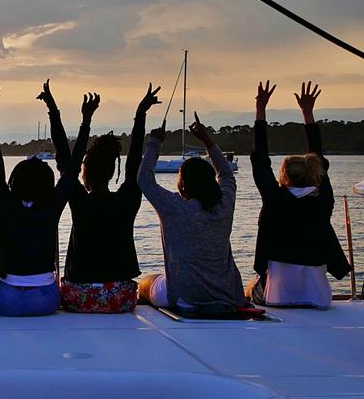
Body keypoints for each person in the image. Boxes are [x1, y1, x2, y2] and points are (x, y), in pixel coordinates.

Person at [42, 82, 160, 313]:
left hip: (80, 298)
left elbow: (65, 158)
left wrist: (58, 112)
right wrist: (140, 114)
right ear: (112, 170)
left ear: (85, 172)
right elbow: (134, 162)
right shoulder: (127, 200)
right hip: (120, 299)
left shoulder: (79, 201)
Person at [247, 81, 351, 309]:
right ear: (314, 174)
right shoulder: (323, 200)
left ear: (284, 177)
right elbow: (318, 156)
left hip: (279, 297)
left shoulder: (276, 199)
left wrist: (260, 109)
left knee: (250, 288)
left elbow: (260, 160)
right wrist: (308, 113)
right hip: (319, 298)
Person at [0, 83, 87, 316]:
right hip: (45, 300)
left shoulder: (6, 203)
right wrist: (84, 122)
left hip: (6, 300)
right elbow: (72, 168)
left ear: (14, 180)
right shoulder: (51, 205)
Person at [137, 112, 245, 312]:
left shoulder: (174, 207)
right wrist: (207, 139)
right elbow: (227, 174)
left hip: (184, 297)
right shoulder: (224, 204)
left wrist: (154, 142)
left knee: (145, 283)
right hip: (229, 295)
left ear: (183, 184)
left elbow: (144, 179)